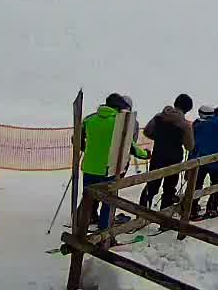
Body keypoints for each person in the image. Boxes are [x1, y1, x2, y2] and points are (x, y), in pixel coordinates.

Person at [79, 93, 147, 233]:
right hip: (109, 170)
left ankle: (81, 229)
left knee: (88, 199)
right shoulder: (120, 123)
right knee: (108, 202)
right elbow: (130, 146)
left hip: (89, 167)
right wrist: (145, 154)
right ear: (117, 107)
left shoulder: (89, 119)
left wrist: (86, 149)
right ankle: (104, 232)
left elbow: (76, 138)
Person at [141, 93, 195, 210]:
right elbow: (189, 146)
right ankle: (164, 221)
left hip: (157, 155)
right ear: (187, 109)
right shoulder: (185, 125)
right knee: (169, 189)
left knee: (151, 185)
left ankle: (141, 213)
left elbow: (147, 131)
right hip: (174, 159)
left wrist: (159, 138)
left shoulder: (159, 117)